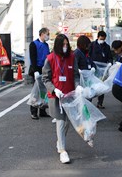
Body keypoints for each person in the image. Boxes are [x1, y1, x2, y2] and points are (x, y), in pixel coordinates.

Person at [42, 34, 80, 164]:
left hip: (69, 94)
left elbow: (75, 75)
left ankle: (60, 141)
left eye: (66, 44)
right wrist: (53, 89)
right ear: (57, 45)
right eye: (63, 44)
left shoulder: (72, 57)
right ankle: (63, 151)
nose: (65, 47)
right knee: (60, 121)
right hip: (56, 96)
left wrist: (78, 87)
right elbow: (45, 78)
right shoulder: (50, 58)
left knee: (68, 121)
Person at [28, 27, 51, 120]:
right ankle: (33, 111)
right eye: (47, 34)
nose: (48, 36)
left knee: (44, 91)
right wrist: (35, 71)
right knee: (36, 91)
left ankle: (42, 110)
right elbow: (32, 58)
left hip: (44, 69)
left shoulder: (46, 45)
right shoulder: (34, 44)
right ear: (42, 34)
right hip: (36, 69)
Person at [89, 31, 113, 109]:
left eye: (103, 39)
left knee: (102, 85)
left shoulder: (106, 46)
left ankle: (100, 103)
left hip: (103, 70)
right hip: (93, 69)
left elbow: (110, 57)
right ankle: (89, 101)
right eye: (101, 39)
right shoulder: (92, 45)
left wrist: (109, 63)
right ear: (98, 37)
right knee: (92, 85)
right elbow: (88, 55)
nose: (102, 40)